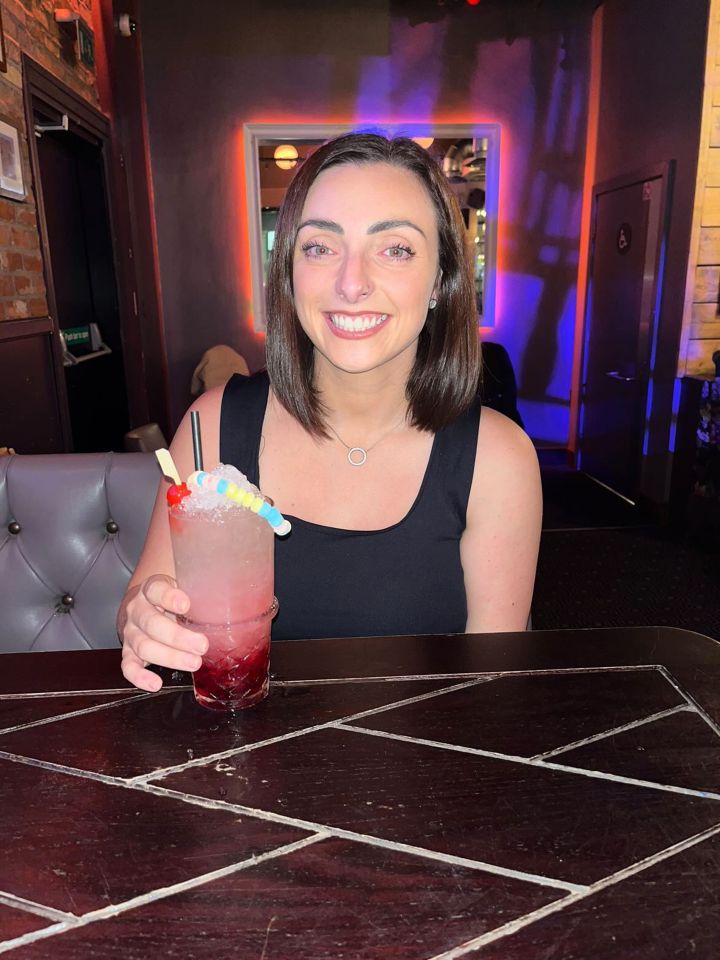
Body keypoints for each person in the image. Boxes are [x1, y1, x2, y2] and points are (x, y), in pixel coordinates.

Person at [119, 133, 542, 693]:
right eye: (320, 247)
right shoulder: (213, 426)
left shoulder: (498, 458)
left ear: (441, 279)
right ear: (289, 275)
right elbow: (141, 598)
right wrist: (142, 621)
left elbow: (492, 694)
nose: (352, 283)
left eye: (395, 248)